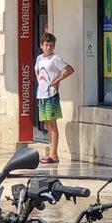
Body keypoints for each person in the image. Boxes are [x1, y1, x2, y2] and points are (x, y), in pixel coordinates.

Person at [33, 32, 72, 165]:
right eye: (46, 44)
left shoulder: (55, 58)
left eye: (51, 45)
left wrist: (57, 80)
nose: (48, 47)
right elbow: (36, 70)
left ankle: (54, 154)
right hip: (41, 93)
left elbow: (69, 70)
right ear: (41, 45)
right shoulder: (39, 58)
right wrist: (39, 79)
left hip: (51, 94)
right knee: (47, 124)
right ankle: (50, 151)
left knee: (52, 124)